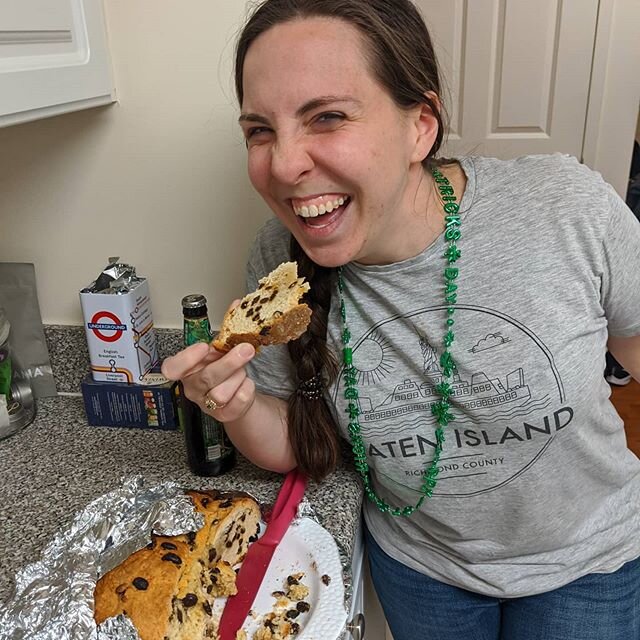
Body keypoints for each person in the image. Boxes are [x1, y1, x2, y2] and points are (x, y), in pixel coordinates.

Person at [161, 1, 640, 638]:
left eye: (327, 117)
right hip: (421, 571)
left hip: (587, 564)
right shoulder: (277, 263)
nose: (282, 166)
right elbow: (290, 445)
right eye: (259, 130)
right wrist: (236, 404)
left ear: (420, 125)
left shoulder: (565, 209)